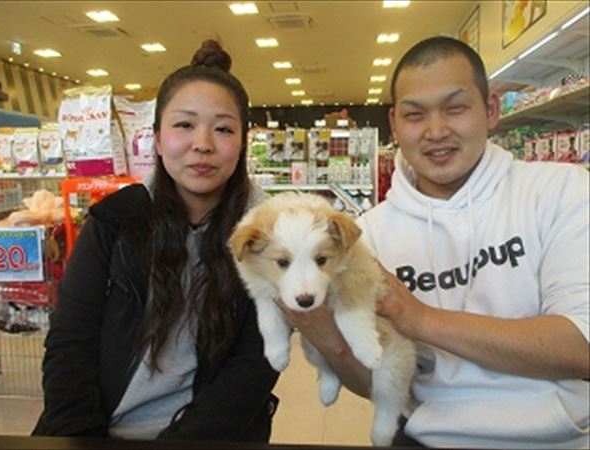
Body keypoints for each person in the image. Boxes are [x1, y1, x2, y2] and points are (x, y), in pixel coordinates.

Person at [280, 36, 589, 448]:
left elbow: (581, 346)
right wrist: (322, 333)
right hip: (425, 437)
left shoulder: (561, 191)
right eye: (415, 115)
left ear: (491, 110)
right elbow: (373, 380)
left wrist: (419, 318)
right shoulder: (367, 235)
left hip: (559, 438)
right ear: (394, 125)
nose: (436, 131)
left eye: (455, 108)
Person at [32, 40, 279, 442]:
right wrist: (80, 437)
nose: (203, 143)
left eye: (223, 129)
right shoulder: (113, 221)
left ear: (242, 143)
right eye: (184, 125)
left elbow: (255, 364)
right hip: (94, 433)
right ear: (158, 139)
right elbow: (70, 341)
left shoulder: (268, 235)